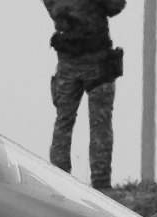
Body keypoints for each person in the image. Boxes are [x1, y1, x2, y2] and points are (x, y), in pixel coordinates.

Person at [44, 0, 126, 190]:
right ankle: (101, 183)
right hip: (96, 60)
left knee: (63, 122)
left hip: (68, 60)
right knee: (100, 124)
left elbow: (52, 8)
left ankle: (59, 181)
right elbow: (116, 6)